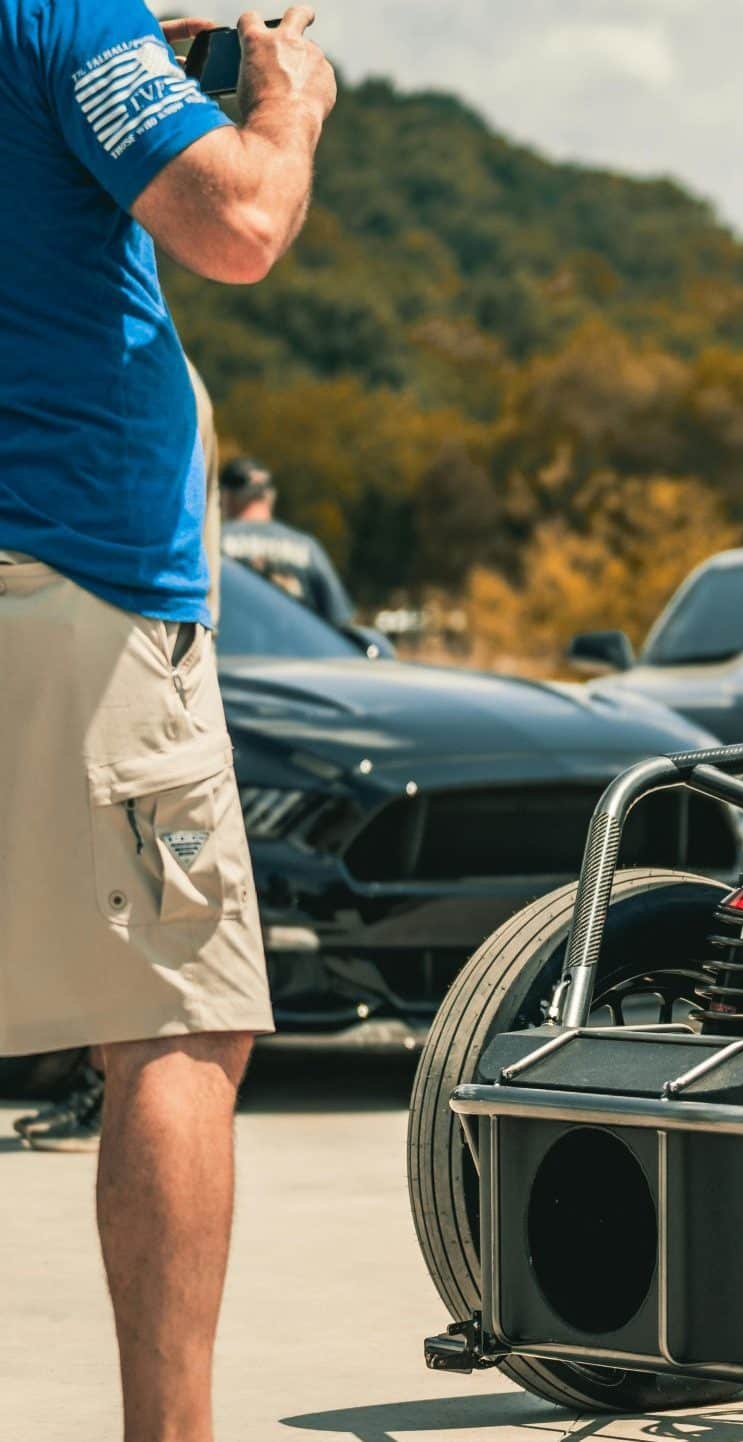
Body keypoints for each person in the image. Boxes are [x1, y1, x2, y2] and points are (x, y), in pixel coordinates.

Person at [0, 4, 336, 1439]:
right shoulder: (60, 14)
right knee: (173, 1028)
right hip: (73, 578)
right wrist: (287, 91)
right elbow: (239, 219)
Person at [219, 454, 351, 625]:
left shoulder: (214, 543)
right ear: (270, 496)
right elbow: (339, 618)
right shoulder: (307, 548)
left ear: (225, 496)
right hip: (295, 648)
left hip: (233, 648)